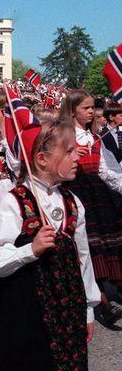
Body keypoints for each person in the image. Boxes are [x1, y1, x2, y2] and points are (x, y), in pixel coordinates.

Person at [0, 120, 100, 371]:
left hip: (67, 308)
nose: (77, 156)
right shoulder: (15, 201)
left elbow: (83, 258)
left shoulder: (72, 202)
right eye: (68, 152)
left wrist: (88, 309)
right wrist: (28, 251)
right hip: (25, 310)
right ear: (41, 159)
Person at [58, 90, 122, 326]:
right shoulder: (64, 134)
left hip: (97, 194)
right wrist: (70, 153)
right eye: (85, 108)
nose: (91, 112)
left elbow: (108, 171)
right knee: (88, 249)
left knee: (108, 245)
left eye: (92, 107)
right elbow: (51, 165)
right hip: (75, 192)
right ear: (73, 109)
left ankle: (108, 294)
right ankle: (102, 303)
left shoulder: (94, 136)